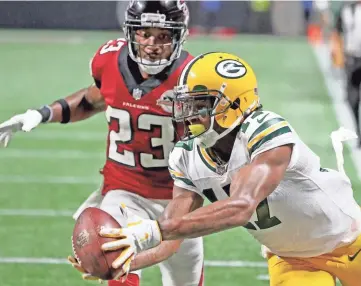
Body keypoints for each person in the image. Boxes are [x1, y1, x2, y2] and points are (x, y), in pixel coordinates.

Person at [96, 52, 361, 286]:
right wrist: (126, 259)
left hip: (351, 243)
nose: (188, 115)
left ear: (234, 104)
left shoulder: (264, 130)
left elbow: (240, 207)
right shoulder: (185, 157)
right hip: (293, 260)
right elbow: (171, 235)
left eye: (199, 105)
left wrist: (150, 231)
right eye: (186, 104)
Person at [0, 1, 204, 286]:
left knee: (185, 277)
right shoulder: (110, 60)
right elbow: (91, 99)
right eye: (144, 33)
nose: (151, 44)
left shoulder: (194, 78)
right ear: (130, 32)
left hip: (178, 196)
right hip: (124, 190)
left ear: (179, 36)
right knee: (115, 255)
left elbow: (213, 148)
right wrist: (41, 113)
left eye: (163, 35)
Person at [333, 1, 361, 147]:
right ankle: (359, 131)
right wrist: (338, 53)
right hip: (352, 58)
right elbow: (337, 31)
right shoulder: (346, 10)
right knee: (352, 99)